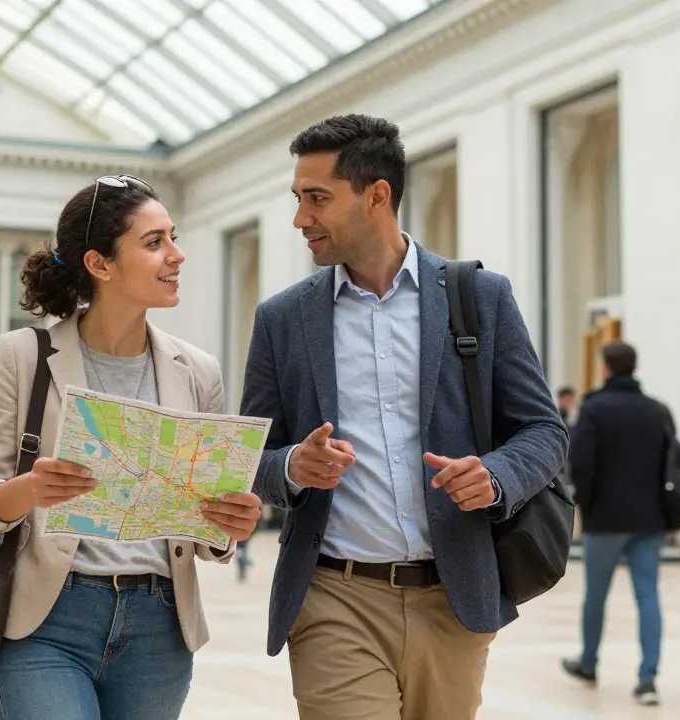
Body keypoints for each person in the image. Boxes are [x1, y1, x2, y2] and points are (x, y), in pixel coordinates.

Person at [239, 114, 568, 720]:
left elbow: (545, 431)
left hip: (455, 597)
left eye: (318, 199)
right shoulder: (282, 319)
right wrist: (293, 466)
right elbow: (249, 458)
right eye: (297, 198)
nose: (300, 218)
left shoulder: (481, 298)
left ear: (377, 196)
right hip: (332, 595)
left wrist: (494, 476)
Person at [0, 174, 262, 720]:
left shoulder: (198, 372)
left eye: (173, 236)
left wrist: (230, 524)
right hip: (47, 622)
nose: (177, 255)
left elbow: (210, 538)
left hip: (159, 631)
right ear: (100, 264)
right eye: (154, 243)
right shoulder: (24, 356)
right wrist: (29, 489)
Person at [560, 341, 671, 706]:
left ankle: (589, 663)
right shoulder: (656, 410)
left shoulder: (593, 409)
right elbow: (669, 461)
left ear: (606, 368)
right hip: (649, 518)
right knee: (648, 595)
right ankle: (648, 679)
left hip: (605, 519)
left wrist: (586, 505)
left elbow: (581, 463)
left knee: (596, 594)